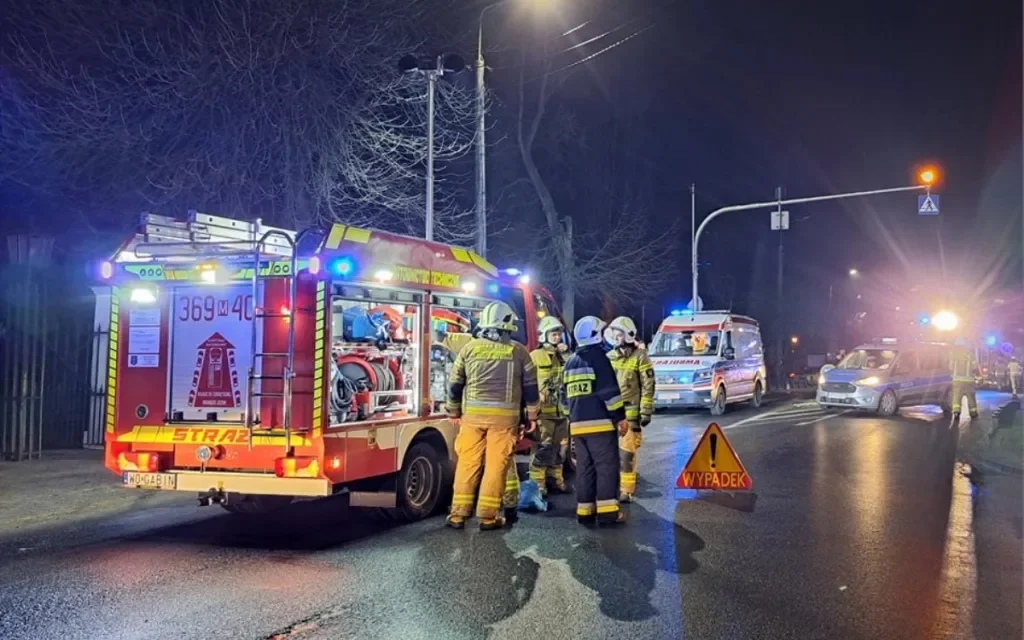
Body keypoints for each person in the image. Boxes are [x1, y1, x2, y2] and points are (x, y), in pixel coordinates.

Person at [446, 301, 539, 531]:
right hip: (504, 421)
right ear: (507, 324)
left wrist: (454, 410)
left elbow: (455, 384)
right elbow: (531, 388)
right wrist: (533, 416)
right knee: (496, 467)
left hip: (472, 418)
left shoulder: (469, 349)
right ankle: (488, 517)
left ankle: (458, 515)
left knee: (467, 464)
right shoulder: (519, 352)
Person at [562, 316, 628, 525]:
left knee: (584, 468)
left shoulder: (570, 362)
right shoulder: (599, 358)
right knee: (606, 467)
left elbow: (563, 398)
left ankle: (585, 511)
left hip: (577, 427)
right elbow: (609, 392)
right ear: (596, 335)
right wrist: (620, 417)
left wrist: (571, 417)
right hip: (600, 424)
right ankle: (608, 513)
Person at [605, 316, 655, 502]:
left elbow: (648, 385)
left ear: (627, 335)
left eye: (619, 334)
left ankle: (626, 490)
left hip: (630, 416)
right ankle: (613, 488)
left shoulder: (640, 356)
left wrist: (646, 411)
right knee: (610, 456)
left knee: (626, 454)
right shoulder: (609, 357)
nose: (616, 338)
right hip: (610, 415)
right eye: (614, 335)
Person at [528, 316, 572, 496]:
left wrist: (566, 354)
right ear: (544, 336)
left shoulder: (565, 356)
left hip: (561, 412)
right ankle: (538, 484)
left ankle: (556, 480)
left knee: (560, 448)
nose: (557, 338)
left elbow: (572, 373)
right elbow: (528, 383)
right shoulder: (534, 356)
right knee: (542, 448)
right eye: (553, 334)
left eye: (559, 335)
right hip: (543, 413)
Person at [949, 339, 979, 421]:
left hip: (957, 380)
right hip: (969, 380)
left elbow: (950, 367)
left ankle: (956, 412)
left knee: (957, 397)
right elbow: (974, 367)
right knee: (971, 397)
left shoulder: (953, 355)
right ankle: (973, 413)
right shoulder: (970, 355)